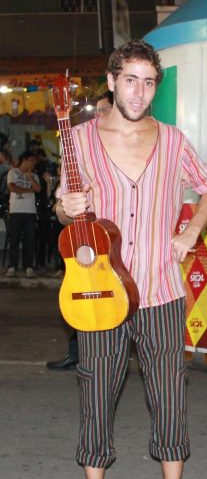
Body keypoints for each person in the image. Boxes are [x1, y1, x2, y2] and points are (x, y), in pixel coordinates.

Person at [56, 40, 207, 479]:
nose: (140, 91)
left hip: (160, 290)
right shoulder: (80, 140)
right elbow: (67, 213)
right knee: (96, 389)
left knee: (170, 391)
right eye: (130, 79)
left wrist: (191, 230)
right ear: (111, 82)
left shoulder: (172, 140)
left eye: (149, 82)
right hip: (99, 293)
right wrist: (66, 206)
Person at [46, 91, 114, 371]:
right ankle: (78, 352)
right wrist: (66, 209)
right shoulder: (82, 149)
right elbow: (60, 211)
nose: (100, 116)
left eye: (105, 110)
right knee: (80, 298)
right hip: (85, 246)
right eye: (96, 111)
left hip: (118, 251)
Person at [6, 151, 40, 278]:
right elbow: (12, 188)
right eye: (31, 160)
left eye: (34, 161)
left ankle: (28, 267)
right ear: (24, 160)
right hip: (15, 211)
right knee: (14, 239)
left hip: (30, 212)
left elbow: (37, 189)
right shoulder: (13, 172)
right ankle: (12, 266)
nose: (33, 163)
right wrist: (28, 190)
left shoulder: (34, 176)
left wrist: (30, 177)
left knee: (29, 240)